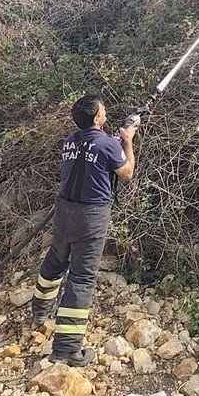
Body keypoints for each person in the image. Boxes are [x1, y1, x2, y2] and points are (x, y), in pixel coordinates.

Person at [31, 94, 137, 366]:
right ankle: (67, 350)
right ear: (96, 118)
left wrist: (115, 140)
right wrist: (128, 142)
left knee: (55, 261)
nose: (105, 111)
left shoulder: (70, 141)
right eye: (103, 110)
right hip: (90, 216)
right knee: (81, 278)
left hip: (64, 212)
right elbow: (126, 173)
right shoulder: (107, 145)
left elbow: (94, 151)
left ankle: (41, 312)